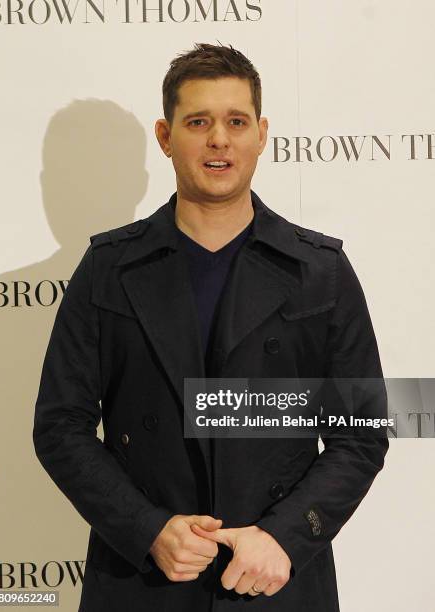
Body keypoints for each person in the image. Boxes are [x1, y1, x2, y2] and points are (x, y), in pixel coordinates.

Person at [33, 43, 389, 612]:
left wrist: (286, 535)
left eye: (235, 121)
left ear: (261, 133)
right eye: (198, 122)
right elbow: (60, 426)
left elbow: (360, 432)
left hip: (276, 580)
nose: (218, 138)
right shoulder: (108, 268)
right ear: (166, 136)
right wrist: (148, 527)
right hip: (141, 580)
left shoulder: (320, 270)